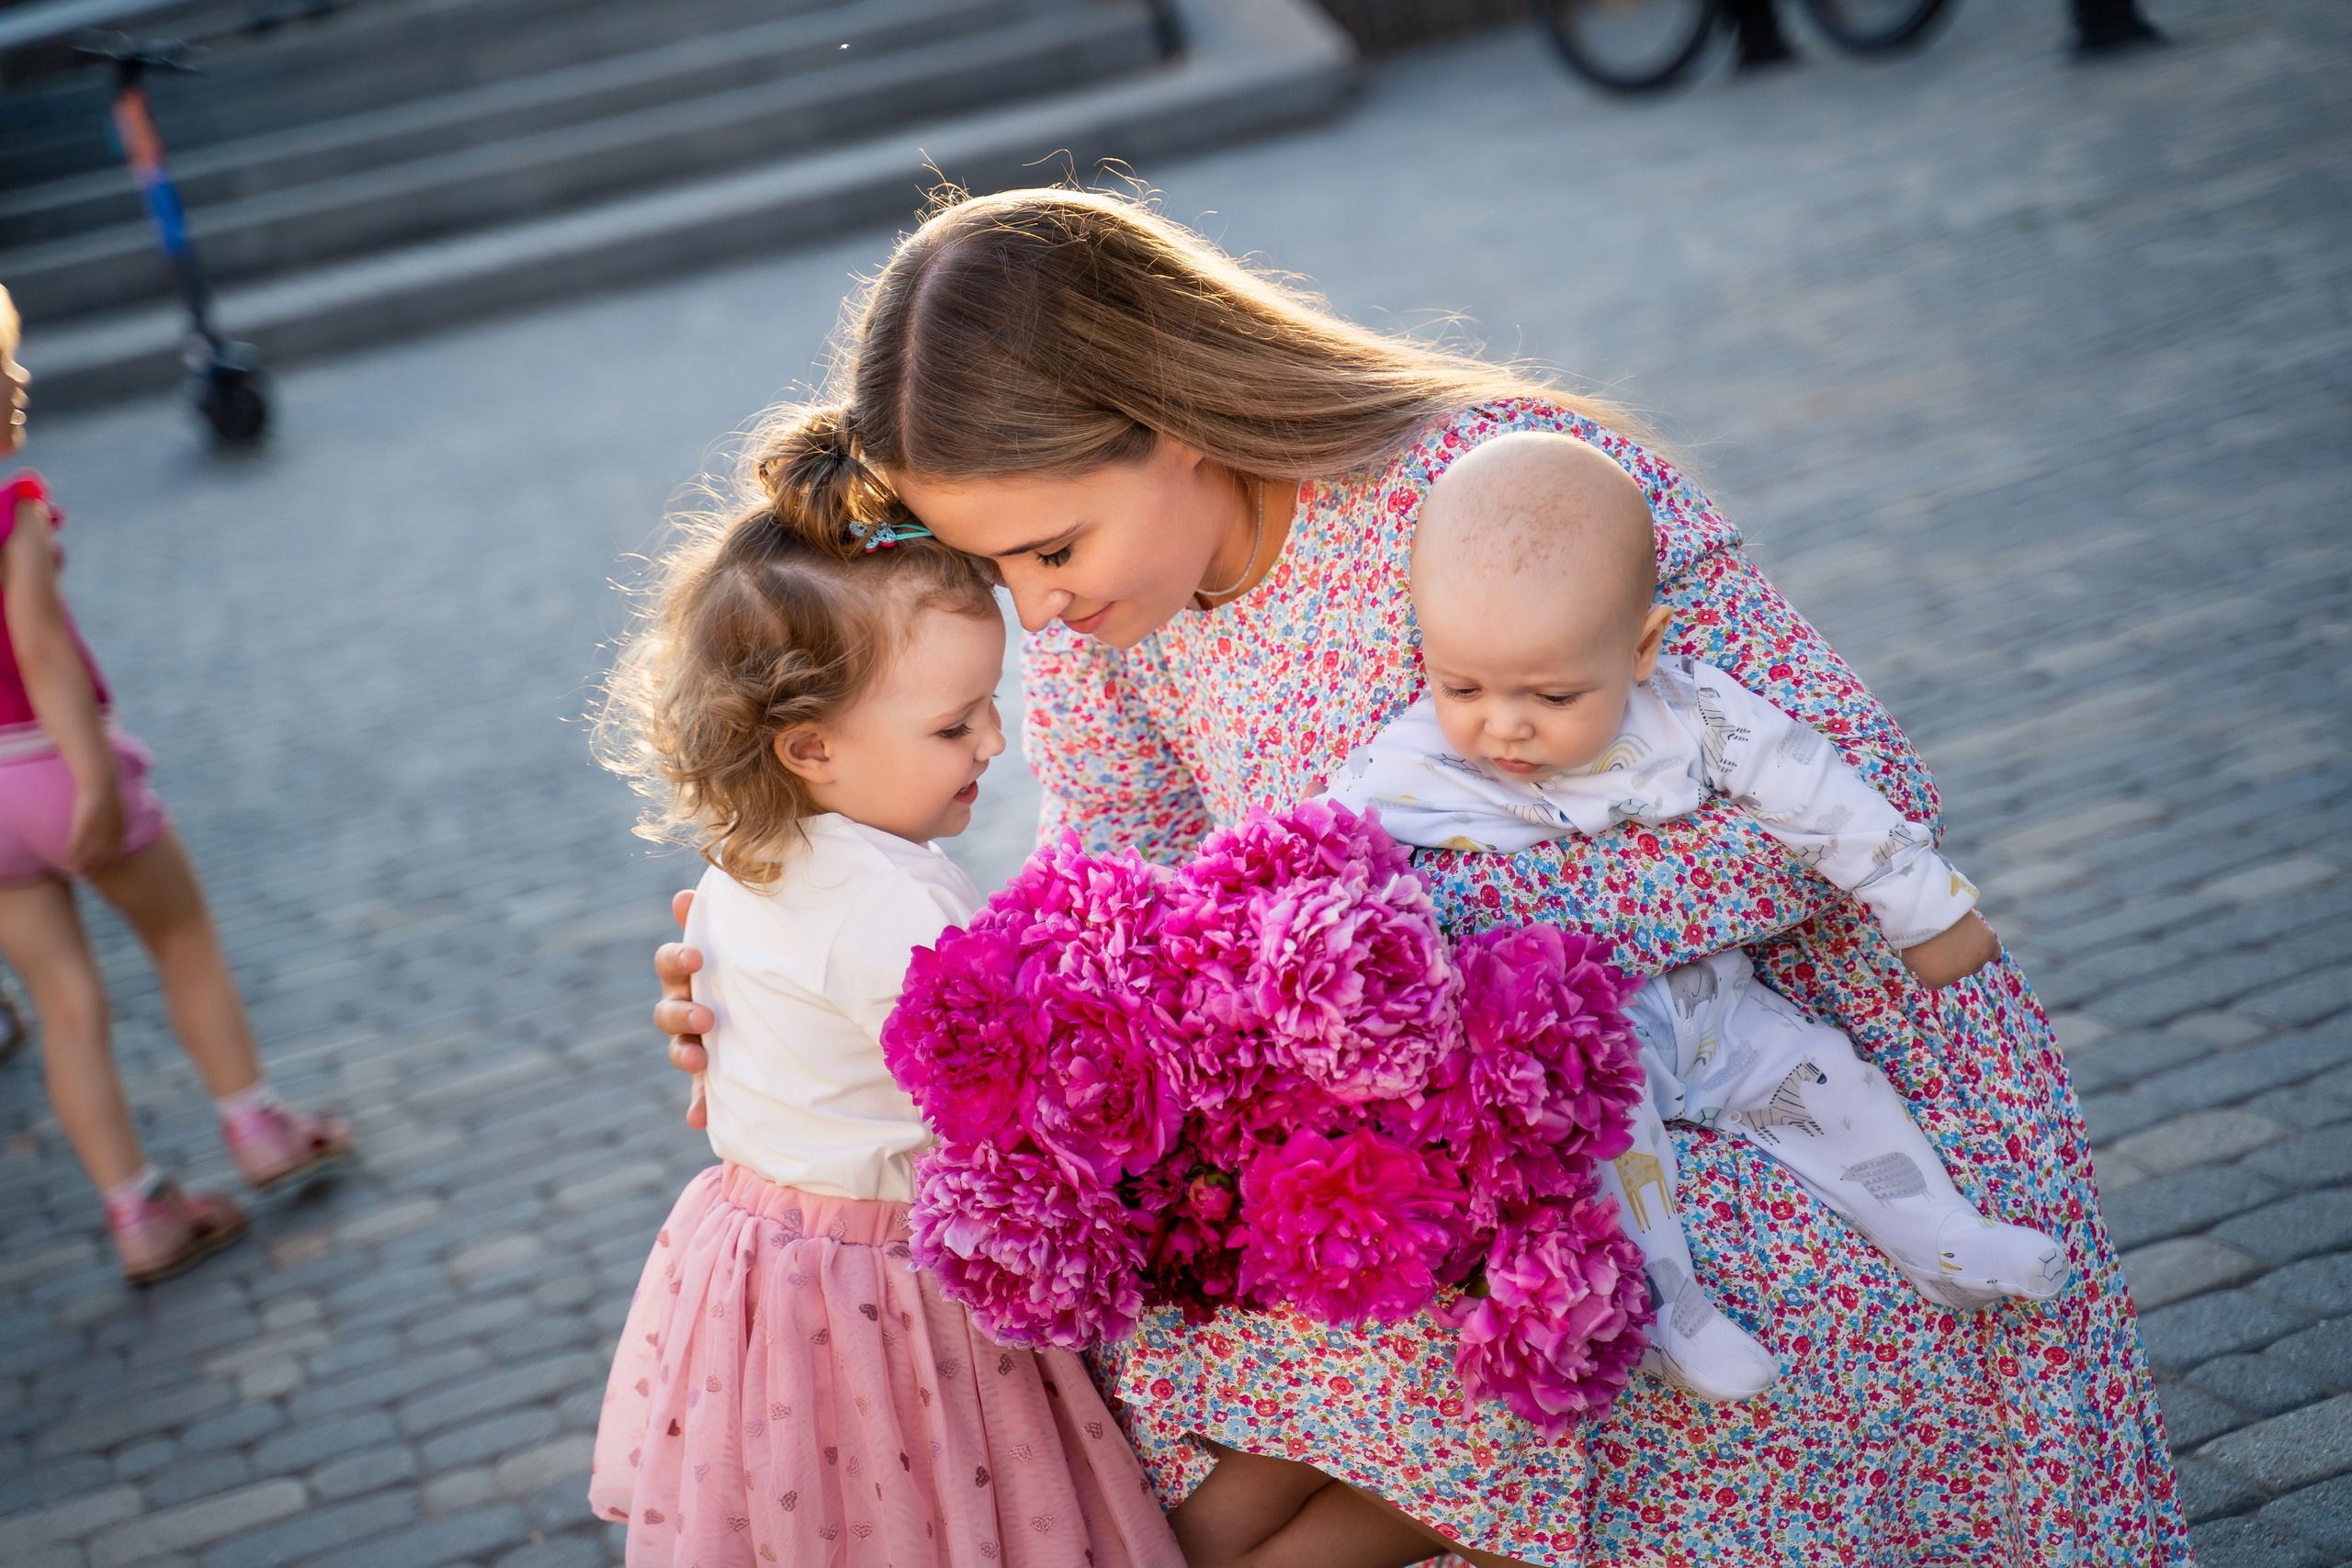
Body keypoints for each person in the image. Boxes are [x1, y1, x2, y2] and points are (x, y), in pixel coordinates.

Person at [651, 189, 2187, 1565]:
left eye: (1056, 546)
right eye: (1007, 574)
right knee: (1115, 1410)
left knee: (1422, 1368)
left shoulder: (1494, 501)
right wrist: (817, 1014)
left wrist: (1407, 950)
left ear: (1171, 415)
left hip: (1727, 1072)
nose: (1041, 611)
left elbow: (1845, 801)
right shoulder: (1111, 629)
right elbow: (1115, 897)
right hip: (1407, 1119)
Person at [1324, 431, 2069, 1406]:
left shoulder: (1691, 716)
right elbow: (1333, 873)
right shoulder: (1410, 762)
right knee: (1602, 1156)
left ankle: (1937, 1232)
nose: (1501, 725)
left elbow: (1819, 792)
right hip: (1582, 1043)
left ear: (1639, 647)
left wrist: (1924, 909)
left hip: (1716, 1007)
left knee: (1829, 1080)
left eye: (1552, 694)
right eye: (1462, 685)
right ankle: (1676, 1312)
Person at [585, 487, 1182, 1568]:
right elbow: (1008, 1104)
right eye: (955, 723)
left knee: (838, 1517)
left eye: (990, 702)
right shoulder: (900, 901)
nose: (994, 739)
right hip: (891, 1290)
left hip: (761, 1265)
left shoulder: (741, 864)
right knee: (960, 1508)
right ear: (809, 746)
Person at [0, 288, 351, 1284]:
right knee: (180, 935)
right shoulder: (12, 513)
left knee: (64, 1005)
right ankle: (258, 1127)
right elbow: (40, 651)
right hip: (47, 762)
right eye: (1, 369)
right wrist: (93, 781)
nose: (18, 382)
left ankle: (138, 1210)